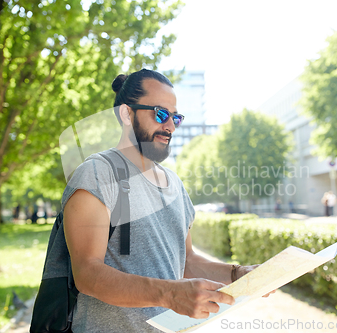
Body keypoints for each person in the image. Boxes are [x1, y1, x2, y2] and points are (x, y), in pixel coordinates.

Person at [62, 69, 270, 332]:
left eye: (176, 117)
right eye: (160, 113)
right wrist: (169, 294)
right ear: (127, 114)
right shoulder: (97, 173)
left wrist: (237, 274)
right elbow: (87, 275)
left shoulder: (175, 184)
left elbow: (186, 261)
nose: (170, 125)